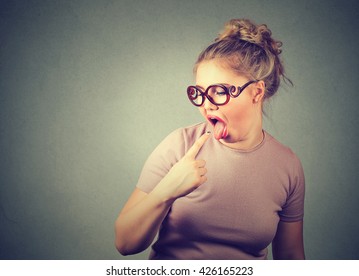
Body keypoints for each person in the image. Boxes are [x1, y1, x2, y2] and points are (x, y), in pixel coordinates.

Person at [114, 18, 305, 260]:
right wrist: (167, 190)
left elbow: (291, 257)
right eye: (200, 93)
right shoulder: (179, 146)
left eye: (219, 91)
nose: (205, 105)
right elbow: (124, 243)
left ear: (256, 92)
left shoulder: (288, 166)